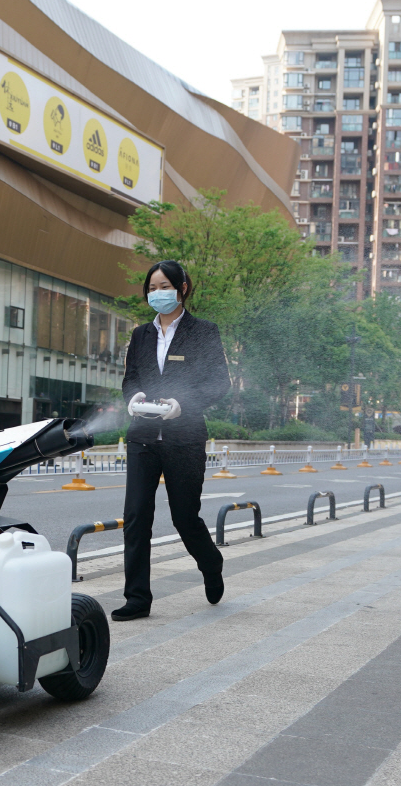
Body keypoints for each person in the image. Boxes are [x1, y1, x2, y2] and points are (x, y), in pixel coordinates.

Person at [116, 260, 231, 621]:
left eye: (164, 286)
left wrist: (183, 405)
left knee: (185, 518)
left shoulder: (203, 332)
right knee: (136, 517)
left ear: (182, 288)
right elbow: (130, 378)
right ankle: (137, 598)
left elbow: (219, 383)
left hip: (184, 439)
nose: (157, 293)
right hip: (144, 437)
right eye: (151, 288)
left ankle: (211, 564)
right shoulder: (141, 334)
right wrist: (133, 398)